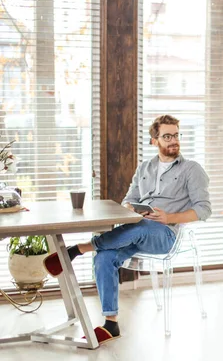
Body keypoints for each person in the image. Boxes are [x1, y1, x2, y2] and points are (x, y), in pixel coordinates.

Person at [43, 114, 211, 344]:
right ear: (155, 140)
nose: (174, 140)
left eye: (176, 135)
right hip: (136, 229)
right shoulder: (144, 168)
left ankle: (77, 249)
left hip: (166, 234)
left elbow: (204, 210)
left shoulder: (192, 169)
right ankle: (111, 324)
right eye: (167, 136)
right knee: (104, 257)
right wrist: (131, 208)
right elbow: (127, 201)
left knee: (141, 227)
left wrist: (168, 216)